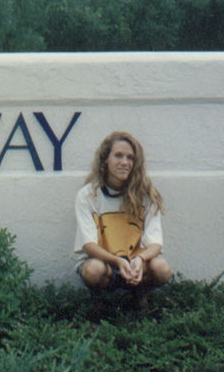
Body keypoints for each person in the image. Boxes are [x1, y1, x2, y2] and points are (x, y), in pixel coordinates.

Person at [73, 131, 172, 314]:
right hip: (105, 263)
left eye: (130, 158)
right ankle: (99, 301)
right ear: (105, 160)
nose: (124, 163)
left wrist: (140, 259)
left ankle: (140, 294)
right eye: (118, 156)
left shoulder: (146, 195)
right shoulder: (88, 195)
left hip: (136, 264)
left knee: (162, 269)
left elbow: (155, 243)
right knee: (93, 271)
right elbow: (89, 245)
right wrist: (116, 261)